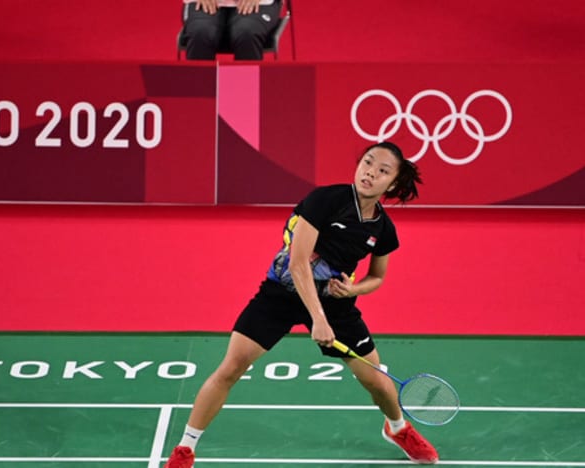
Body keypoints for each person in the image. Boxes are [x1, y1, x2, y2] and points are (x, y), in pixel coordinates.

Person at [164, 141, 439, 467]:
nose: (370, 173)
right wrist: (318, 319)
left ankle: (397, 428)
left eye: (382, 171)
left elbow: (377, 277)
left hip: (335, 304)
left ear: (392, 184)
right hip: (281, 294)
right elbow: (298, 264)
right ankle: (186, 448)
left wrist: (353, 291)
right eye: (367, 163)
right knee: (231, 368)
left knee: (375, 379)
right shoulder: (326, 200)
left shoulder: (383, 229)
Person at [181, 0, 283, 60]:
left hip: (259, 2)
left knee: (246, 33)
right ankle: (201, 95)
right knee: (201, 32)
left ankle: (244, 94)